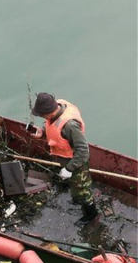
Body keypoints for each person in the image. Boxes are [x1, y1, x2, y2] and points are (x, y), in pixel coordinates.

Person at [29, 92, 98, 224]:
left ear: (48, 112)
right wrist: (42, 132)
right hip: (66, 160)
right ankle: (78, 197)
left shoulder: (70, 125)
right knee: (76, 186)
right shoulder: (58, 108)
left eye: (42, 115)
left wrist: (70, 168)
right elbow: (56, 131)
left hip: (77, 163)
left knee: (82, 189)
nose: (42, 117)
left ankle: (91, 214)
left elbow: (83, 151)